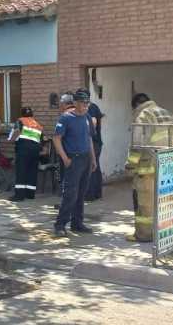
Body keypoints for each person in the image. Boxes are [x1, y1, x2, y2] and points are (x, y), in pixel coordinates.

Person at [125, 93, 173, 242]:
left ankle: (144, 234)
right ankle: (166, 233)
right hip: (170, 164)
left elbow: (137, 144)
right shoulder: (166, 112)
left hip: (150, 166)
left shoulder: (142, 115)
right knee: (165, 201)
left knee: (146, 203)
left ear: (135, 106)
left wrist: (130, 165)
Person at [53, 91, 97, 236]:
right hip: (73, 159)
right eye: (83, 103)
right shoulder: (66, 118)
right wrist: (65, 158)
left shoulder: (87, 117)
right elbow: (57, 139)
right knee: (70, 194)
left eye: (87, 103)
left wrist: (93, 158)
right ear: (76, 103)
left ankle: (77, 223)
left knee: (81, 193)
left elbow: (89, 138)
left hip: (85, 159)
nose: (85, 106)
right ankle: (60, 225)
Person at [9, 106, 43, 201]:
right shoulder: (37, 124)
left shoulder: (20, 121)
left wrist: (12, 140)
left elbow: (17, 131)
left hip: (23, 149)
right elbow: (41, 139)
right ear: (32, 114)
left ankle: (19, 196)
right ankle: (30, 194)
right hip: (35, 150)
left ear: (22, 114)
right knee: (32, 171)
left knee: (21, 171)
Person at [77, 88, 105, 202]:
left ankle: (89, 195)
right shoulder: (94, 107)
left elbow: (93, 122)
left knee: (90, 167)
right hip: (96, 141)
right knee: (95, 167)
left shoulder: (90, 107)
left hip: (92, 141)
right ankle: (97, 193)